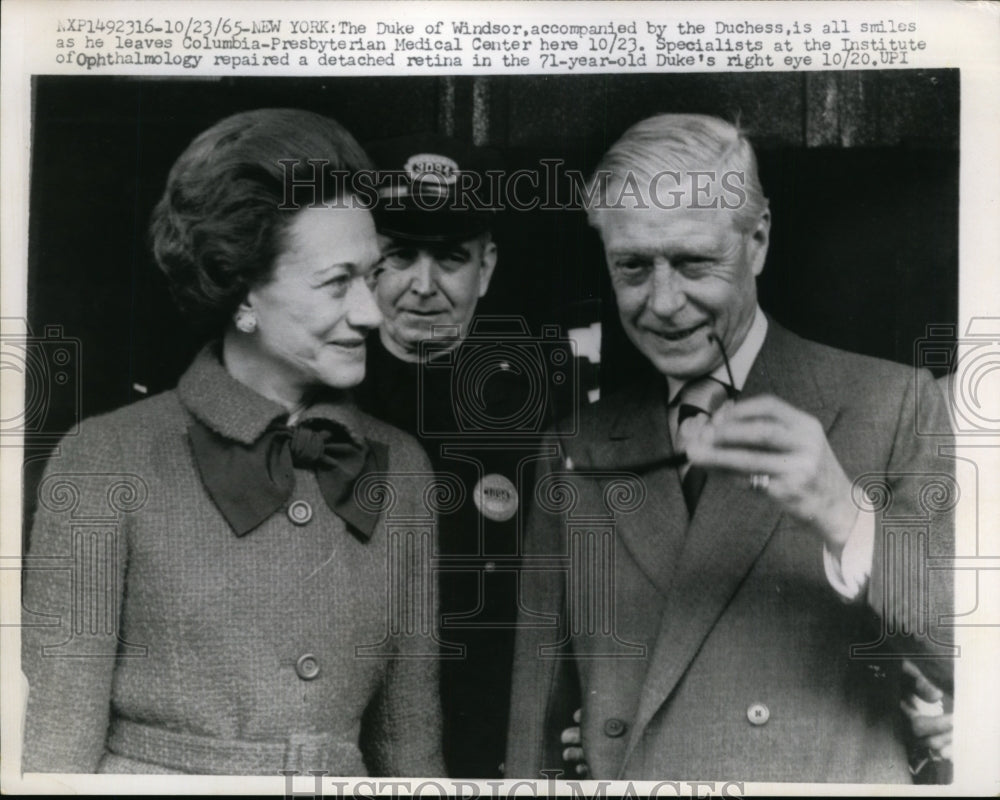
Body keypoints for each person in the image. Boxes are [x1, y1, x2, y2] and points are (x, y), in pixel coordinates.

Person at [504, 114, 955, 782]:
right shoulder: (578, 446)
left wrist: (846, 519)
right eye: (632, 266)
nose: (662, 302)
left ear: (759, 241)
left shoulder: (892, 404)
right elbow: (536, 733)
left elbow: (969, 653)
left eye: (693, 263)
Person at [21, 109, 444, 776]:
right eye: (338, 283)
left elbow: (412, 751)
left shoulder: (404, 469)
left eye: (372, 275)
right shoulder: (107, 458)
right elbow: (54, 747)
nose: (370, 312)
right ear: (243, 291)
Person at [357, 135, 574, 779]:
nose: (423, 287)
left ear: (487, 266)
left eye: (450, 258)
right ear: (368, 264)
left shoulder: (541, 401)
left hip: (490, 716)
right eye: (399, 256)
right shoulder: (328, 386)